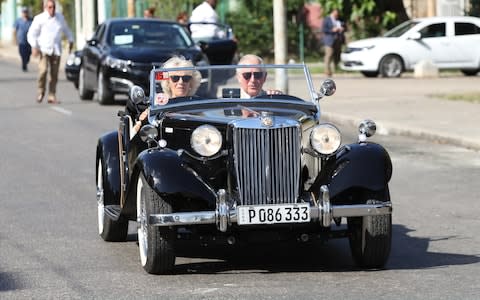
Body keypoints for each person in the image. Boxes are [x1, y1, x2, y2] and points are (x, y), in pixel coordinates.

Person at [132, 56, 202, 133]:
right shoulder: (158, 104)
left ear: (191, 82)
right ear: (168, 82)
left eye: (186, 78)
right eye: (175, 78)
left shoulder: (197, 104)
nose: (181, 82)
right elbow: (137, 133)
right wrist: (144, 119)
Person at [27, 0, 73, 104]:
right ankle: (41, 91)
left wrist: (71, 40)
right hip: (44, 49)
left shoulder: (59, 18)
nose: (52, 10)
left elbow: (66, 29)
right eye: (50, 7)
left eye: (53, 7)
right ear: (45, 8)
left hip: (56, 50)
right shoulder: (40, 19)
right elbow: (31, 34)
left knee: (54, 74)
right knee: (43, 71)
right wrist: (34, 46)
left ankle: (52, 95)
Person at [322, 8, 345, 77]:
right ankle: (327, 71)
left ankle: (336, 69)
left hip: (338, 40)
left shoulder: (339, 19)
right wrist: (332, 30)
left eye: (337, 14)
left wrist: (342, 28)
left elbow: (345, 26)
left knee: (337, 55)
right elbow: (324, 29)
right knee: (329, 55)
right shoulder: (327, 19)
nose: (337, 15)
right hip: (329, 40)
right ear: (332, 13)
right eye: (335, 14)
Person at [13, 7, 33, 72]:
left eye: (26, 12)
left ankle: (26, 62)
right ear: (22, 13)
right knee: (22, 53)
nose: (25, 13)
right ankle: (24, 64)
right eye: (24, 12)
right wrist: (14, 39)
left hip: (29, 41)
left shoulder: (31, 20)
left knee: (29, 54)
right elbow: (14, 30)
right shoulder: (18, 20)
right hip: (21, 41)